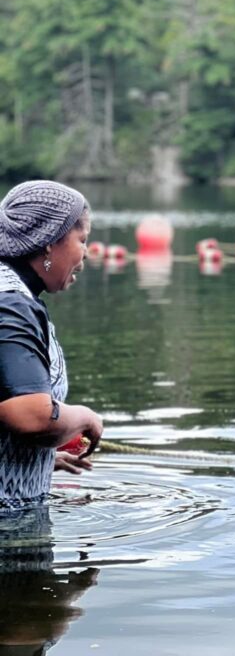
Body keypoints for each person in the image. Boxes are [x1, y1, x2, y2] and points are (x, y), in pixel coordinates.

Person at [0, 180, 103, 511]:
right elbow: (31, 415)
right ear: (49, 242)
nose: (85, 254)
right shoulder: (11, 303)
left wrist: (42, 458)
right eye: (81, 240)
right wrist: (84, 417)